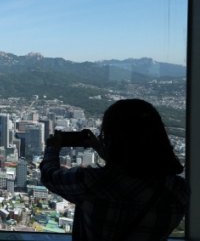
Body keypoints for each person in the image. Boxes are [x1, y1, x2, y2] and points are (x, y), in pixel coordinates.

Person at [40, 99, 190, 240]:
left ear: (111, 139)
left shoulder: (91, 183)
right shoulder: (179, 190)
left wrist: (52, 148)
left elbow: (48, 175)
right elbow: (133, 165)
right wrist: (98, 147)